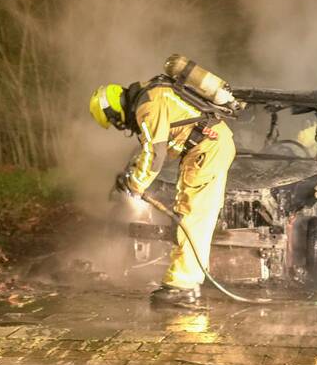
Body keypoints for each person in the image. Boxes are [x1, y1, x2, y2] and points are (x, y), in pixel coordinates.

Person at [89, 78, 235, 306]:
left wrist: (135, 185)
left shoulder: (147, 106)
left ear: (116, 109)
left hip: (207, 148)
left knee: (193, 217)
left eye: (116, 121)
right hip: (206, 148)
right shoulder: (152, 96)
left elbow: (155, 155)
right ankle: (189, 280)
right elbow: (154, 146)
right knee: (191, 214)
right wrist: (132, 173)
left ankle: (183, 287)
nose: (122, 126)